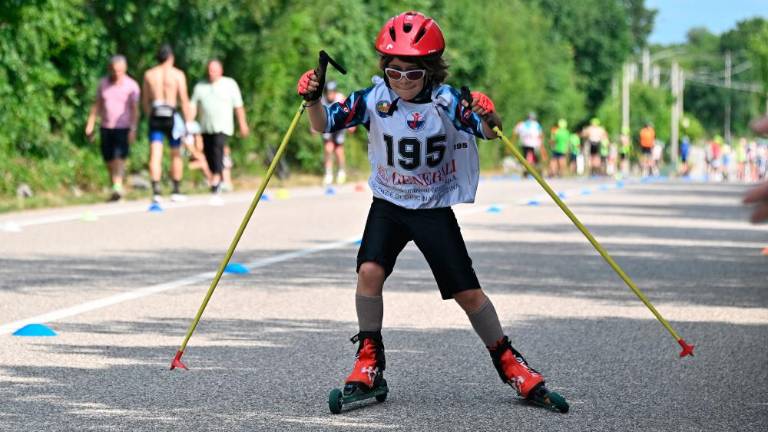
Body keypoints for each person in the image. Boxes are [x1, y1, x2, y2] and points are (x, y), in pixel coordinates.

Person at [297, 11, 567, 411]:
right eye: (394, 71)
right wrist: (313, 99)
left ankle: (510, 363)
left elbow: (489, 131)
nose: (402, 81)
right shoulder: (374, 98)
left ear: (431, 71)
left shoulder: (447, 101)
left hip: (432, 207)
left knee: (467, 293)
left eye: (412, 74)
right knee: (369, 271)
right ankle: (369, 361)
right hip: (388, 203)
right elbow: (323, 125)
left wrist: (489, 115)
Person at [85, 55, 140, 202]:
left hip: (123, 127)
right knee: (108, 159)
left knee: (119, 157)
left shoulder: (132, 86)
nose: (117, 73)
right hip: (106, 126)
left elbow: (135, 110)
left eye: (120, 71)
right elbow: (97, 106)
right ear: (110, 69)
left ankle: (117, 186)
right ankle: (116, 188)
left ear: (125, 69)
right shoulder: (103, 84)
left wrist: (133, 129)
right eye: (115, 70)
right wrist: (90, 124)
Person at [191, 59, 250, 195]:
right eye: (210, 70)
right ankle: (215, 177)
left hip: (223, 126)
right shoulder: (201, 86)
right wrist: (190, 122)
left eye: (215, 70)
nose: (212, 73)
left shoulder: (229, 84)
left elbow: (238, 106)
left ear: (220, 71)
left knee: (218, 148)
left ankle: (217, 179)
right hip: (206, 127)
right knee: (208, 152)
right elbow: (193, 105)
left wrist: (242, 124)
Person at [142, 44, 192, 202]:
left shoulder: (150, 74)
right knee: (175, 152)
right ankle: (176, 189)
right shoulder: (177, 74)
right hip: (171, 114)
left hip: (156, 114)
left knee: (155, 153)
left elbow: (145, 101)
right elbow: (184, 100)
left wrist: (149, 115)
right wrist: (188, 123)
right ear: (171, 57)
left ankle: (156, 190)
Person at [318, 81, 351, 185]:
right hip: (328, 125)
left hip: (339, 126)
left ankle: (341, 171)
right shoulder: (322, 100)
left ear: (335, 92)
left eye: (332, 92)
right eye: (328, 93)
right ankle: (328, 174)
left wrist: (351, 125)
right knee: (328, 148)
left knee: (338, 150)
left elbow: (350, 111)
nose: (330, 95)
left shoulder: (340, 98)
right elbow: (316, 114)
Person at [514, 112, 543, 177]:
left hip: (524, 143)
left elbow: (515, 133)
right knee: (535, 158)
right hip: (534, 144)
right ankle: (538, 170)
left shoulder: (521, 124)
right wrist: (541, 144)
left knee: (525, 157)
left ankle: (526, 171)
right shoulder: (536, 124)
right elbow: (541, 135)